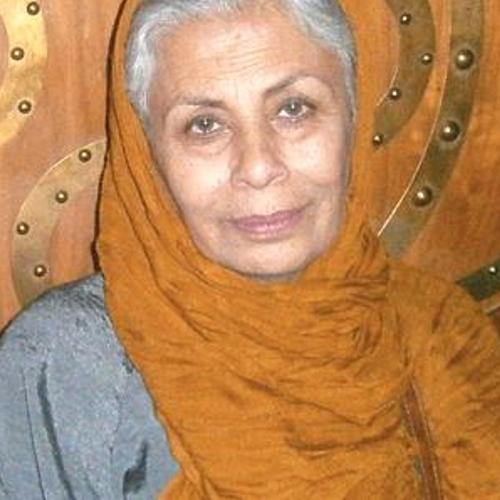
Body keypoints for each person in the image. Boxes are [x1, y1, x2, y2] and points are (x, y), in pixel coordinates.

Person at [1, 0, 500, 498]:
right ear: (147, 153)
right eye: (205, 125)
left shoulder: (441, 335)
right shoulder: (67, 367)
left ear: (353, 114)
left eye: (293, 109)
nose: (258, 167)